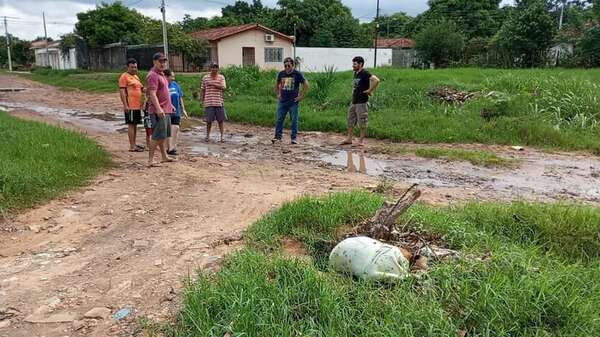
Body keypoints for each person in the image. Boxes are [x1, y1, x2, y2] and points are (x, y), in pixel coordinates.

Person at [341, 56, 380, 147]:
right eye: (353, 64)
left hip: (362, 102)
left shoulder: (365, 73)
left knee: (362, 121)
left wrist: (370, 90)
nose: (353, 66)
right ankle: (349, 139)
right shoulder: (356, 73)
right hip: (354, 101)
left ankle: (361, 141)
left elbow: (376, 80)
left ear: (360, 64)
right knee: (350, 120)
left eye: (354, 64)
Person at [146, 52, 175, 167]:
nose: (162, 63)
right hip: (159, 110)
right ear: (154, 62)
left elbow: (164, 92)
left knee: (163, 135)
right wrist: (158, 108)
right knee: (157, 135)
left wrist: (170, 104)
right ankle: (150, 160)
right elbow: (152, 93)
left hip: (165, 108)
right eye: (160, 61)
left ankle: (164, 156)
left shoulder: (162, 74)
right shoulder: (153, 75)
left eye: (164, 61)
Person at [272, 57, 309, 145]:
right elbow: (276, 84)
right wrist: (278, 94)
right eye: (285, 66)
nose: (287, 67)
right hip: (282, 101)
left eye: (289, 65)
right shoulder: (281, 74)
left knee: (294, 120)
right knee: (279, 119)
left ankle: (294, 138)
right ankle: (278, 137)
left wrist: (301, 96)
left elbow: (306, 84)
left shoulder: (297, 74)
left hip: (293, 102)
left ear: (293, 65)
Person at [118, 58, 144, 152]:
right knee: (131, 125)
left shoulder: (136, 77)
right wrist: (125, 105)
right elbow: (122, 92)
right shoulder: (124, 77)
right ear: (127, 67)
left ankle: (134, 144)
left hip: (137, 105)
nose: (134, 69)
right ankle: (132, 146)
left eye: (135, 67)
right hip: (130, 105)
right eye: (132, 67)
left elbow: (141, 89)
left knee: (135, 124)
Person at [200, 62, 227, 142]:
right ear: (210, 68)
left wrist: (213, 84)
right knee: (208, 121)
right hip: (208, 102)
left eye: (216, 67)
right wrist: (202, 100)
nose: (214, 69)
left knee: (220, 120)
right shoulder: (205, 78)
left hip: (219, 102)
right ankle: (207, 136)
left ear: (218, 69)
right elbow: (203, 89)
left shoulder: (221, 77)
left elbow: (223, 87)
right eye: (213, 67)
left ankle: (222, 136)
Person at [164, 69, 187, 155]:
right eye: (171, 76)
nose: (173, 78)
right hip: (167, 111)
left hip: (176, 111)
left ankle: (173, 147)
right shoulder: (163, 86)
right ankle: (169, 148)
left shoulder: (175, 85)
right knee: (169, 130)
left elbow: (180, 97)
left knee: (176, 129)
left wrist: (183, 109)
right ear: (166, 77)